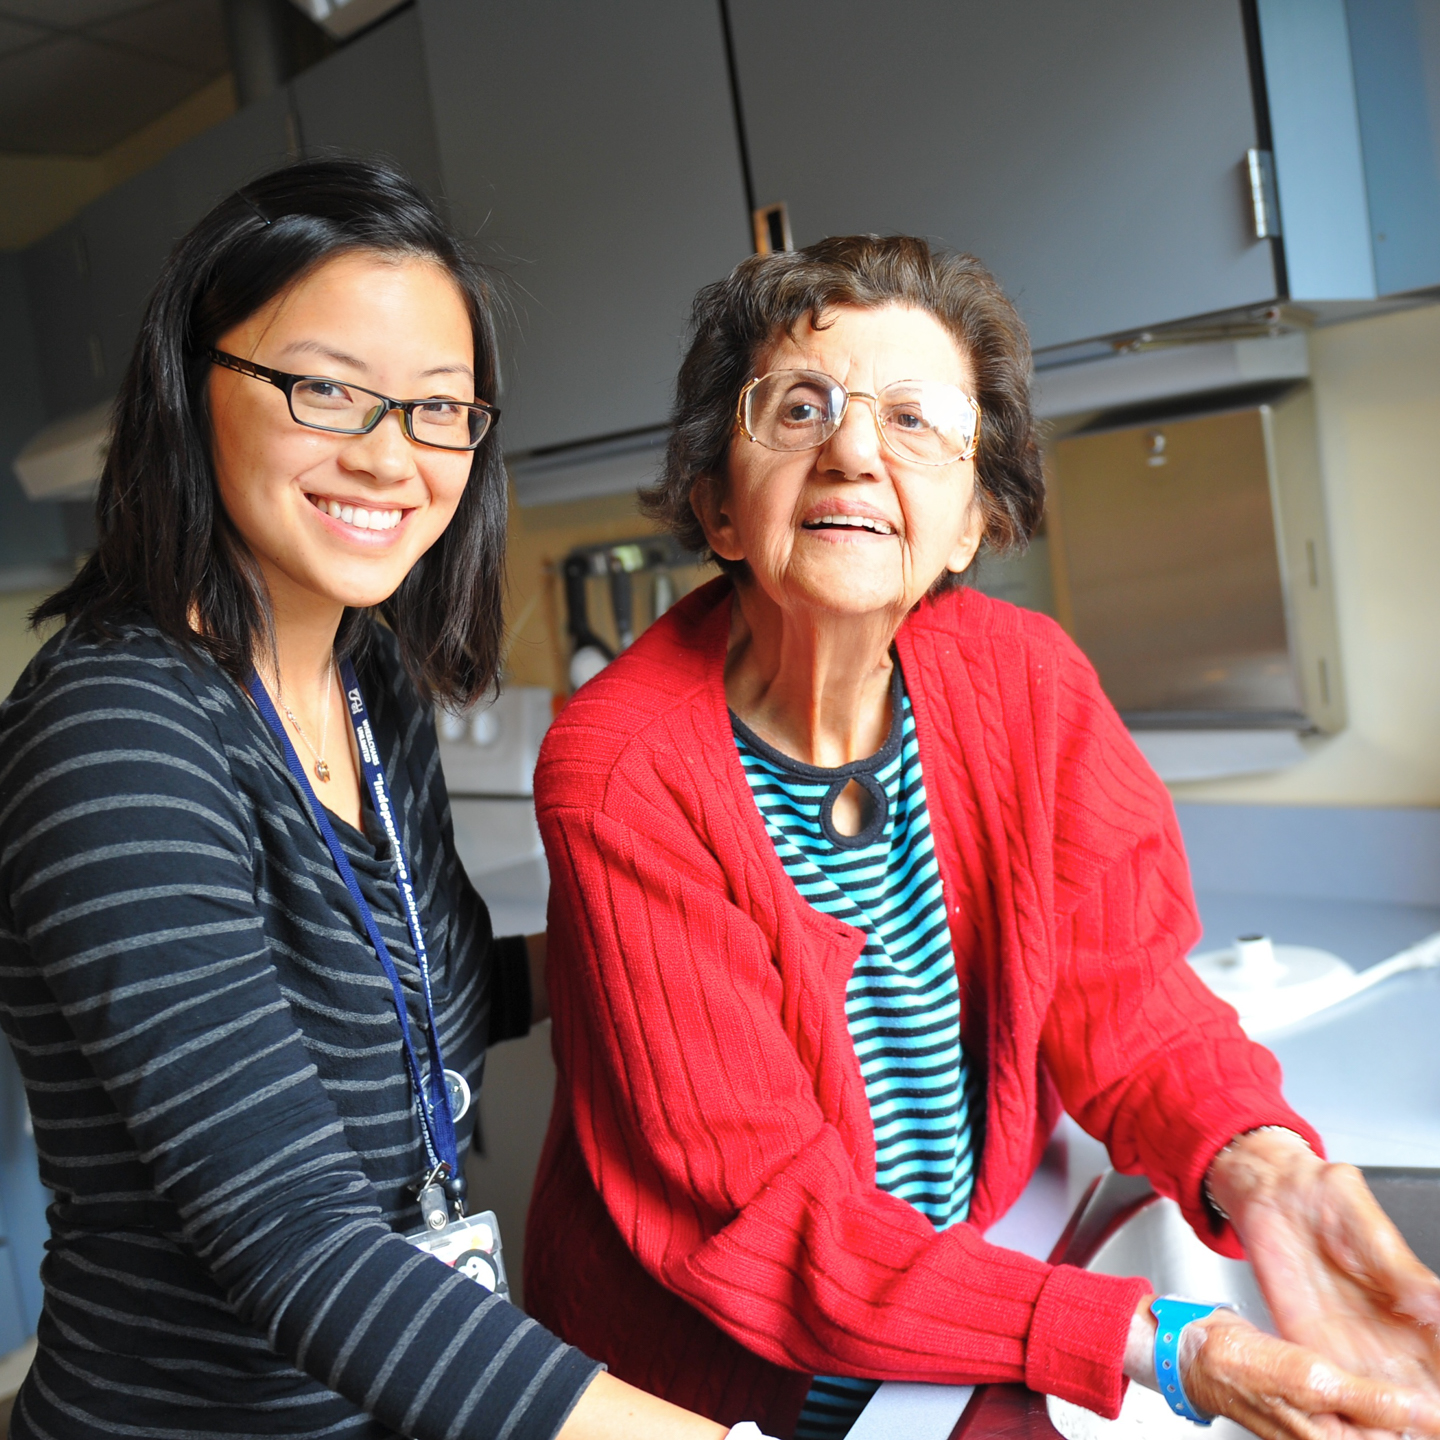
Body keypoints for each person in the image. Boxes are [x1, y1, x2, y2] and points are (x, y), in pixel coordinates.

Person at [525, 235, 1440, 1440]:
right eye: (801, 408)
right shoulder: (625, 768)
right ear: (716, 505)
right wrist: (1160, 1343)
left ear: (971, 523)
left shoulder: (1026, 682)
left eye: (916, 419)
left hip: (970, 1301)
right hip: (721, 1386)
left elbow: (1125, 1008)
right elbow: (770, 1227)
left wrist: (1266, 1174)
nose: (852, 447)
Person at [0, 158, 774, 1440]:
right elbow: (296, 1239)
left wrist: (709, 957)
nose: (387, 456)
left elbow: (443, 978)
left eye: (437, 411)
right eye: (325, 390)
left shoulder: (367, 679)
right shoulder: (115, 732)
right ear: (191, 388)